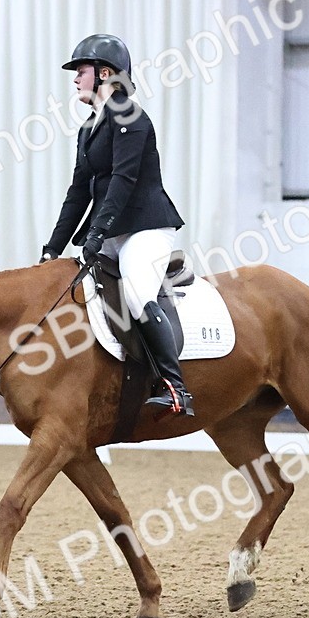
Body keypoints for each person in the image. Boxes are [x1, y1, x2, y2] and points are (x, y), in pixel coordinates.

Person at [40, 33, 193, 417]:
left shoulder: (130, 116)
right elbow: (78, 192)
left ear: (104, 73)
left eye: (81, 71)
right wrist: (52, 248)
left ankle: (174, 385)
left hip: (145, 229)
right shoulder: (89, 127)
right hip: (111, 233)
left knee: (138, 292)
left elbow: (124, 180)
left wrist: (96, 234)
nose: (75, 79)